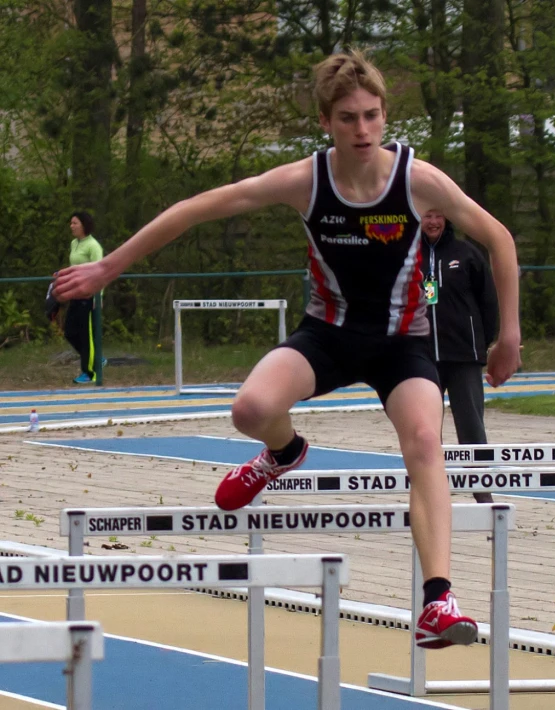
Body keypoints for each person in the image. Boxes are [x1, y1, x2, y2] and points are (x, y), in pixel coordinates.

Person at [53, 50, 521, 650]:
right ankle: (284, 450)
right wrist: (108, 268)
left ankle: (437, 601)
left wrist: (507, 335)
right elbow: (197, 209)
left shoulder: (417, 180)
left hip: (402, 345)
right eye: (348, 118)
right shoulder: (305, 180)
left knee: (426, 440)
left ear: (385, 117)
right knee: (248, 410)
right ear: (325, 120)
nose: (362, 131)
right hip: (327, 335)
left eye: (373, 117)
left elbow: (499, 239)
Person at [420, 210, 498, 504]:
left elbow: (488, 302)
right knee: (425, 431)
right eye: (427, 216)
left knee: (471, 427)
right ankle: (432, 497)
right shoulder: (406, 256)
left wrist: (483, 342)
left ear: (447, 219)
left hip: (464, 356)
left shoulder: (467, 254)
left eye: (438, 216)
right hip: (422, 358)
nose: (432, 222)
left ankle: (483, 495)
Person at [64, 211, 104, 384]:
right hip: (76, 294)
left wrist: (98, 297)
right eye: (71, 223)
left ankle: (89, 373)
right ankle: (97, 359)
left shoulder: (93, 246)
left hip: (89, 297)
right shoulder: (74, 243)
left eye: (75, 223)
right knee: (70, 332)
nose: (71, 226)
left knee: (86, 335)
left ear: (84, 225)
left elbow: (101, 272)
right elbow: (75, 267)